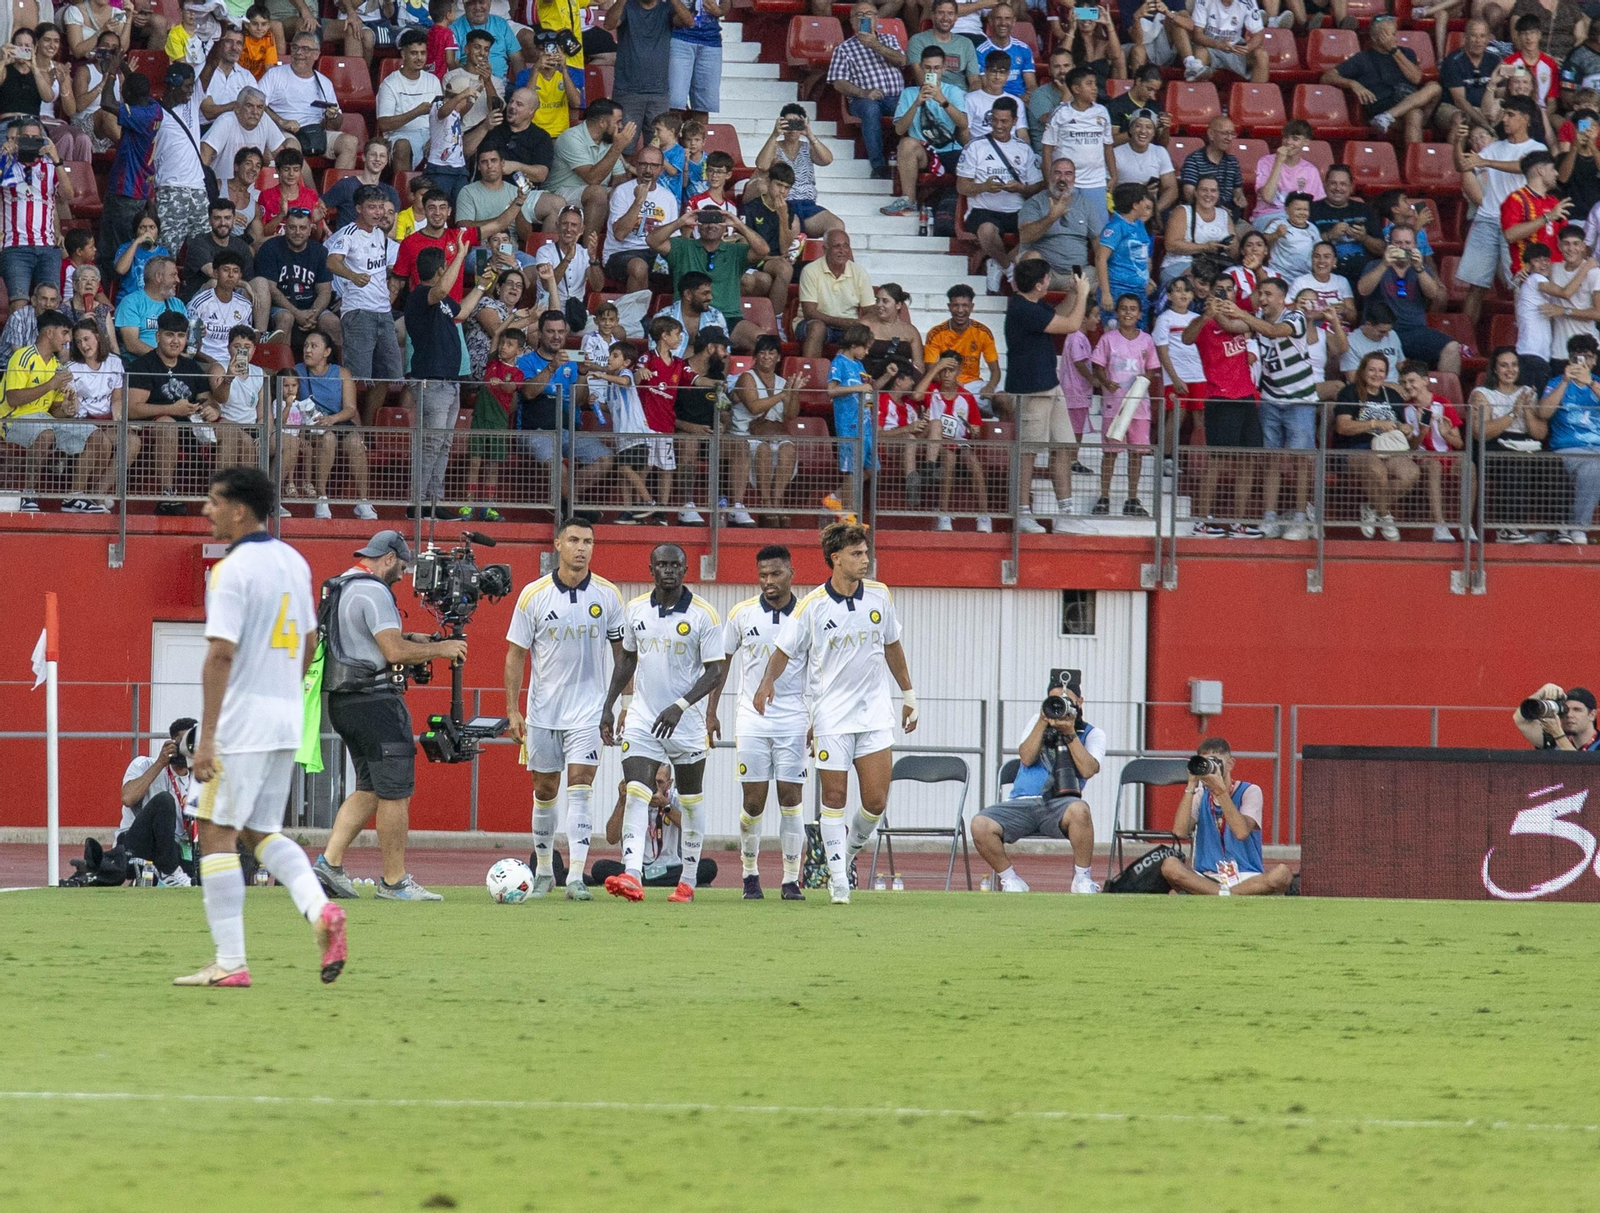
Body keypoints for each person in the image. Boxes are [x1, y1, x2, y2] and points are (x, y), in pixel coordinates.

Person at [175, 466, 344, 987]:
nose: (206, 510)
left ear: (239, 510)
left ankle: (230, 963)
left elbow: (220, 654)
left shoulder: (232, 570)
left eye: (213, 501)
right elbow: (312, 643)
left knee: (217, 832)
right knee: (260, 831)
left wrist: (206, 738)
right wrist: (284, 692)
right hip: (286, 718)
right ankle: (320, 910)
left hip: (242, 722)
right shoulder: (294, 560)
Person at [753, 522, 917, 905]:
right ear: (836, 559)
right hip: (831, 716)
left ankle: (847, 853)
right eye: (857, 554)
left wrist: (909, 694)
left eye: (865, 552)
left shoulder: (880, 596)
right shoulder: (812, 605)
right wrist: (766, 683)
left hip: (875, 715)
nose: (865, 560)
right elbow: (783, 650)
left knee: (875, 802)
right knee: (835, 796)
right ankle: (838, 879)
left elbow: (892, 645)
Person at [311, 531, 466, 904]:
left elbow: (364, 641)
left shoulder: (341, 586)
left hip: (343, 702)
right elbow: (393, 651)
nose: (403, 574)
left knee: (369, 787)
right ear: (388, 558)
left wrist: (416, 639)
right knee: (395, 792)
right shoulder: (375, 590)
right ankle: (394, 881)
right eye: (402, 565)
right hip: (376, 702)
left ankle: (329, 864)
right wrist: (442, 648)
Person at [503, 517, 625, 898]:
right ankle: (543, 871)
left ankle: (575, 876)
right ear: (558, 544)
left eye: (588, 541)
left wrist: (623, 704)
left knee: (581, 787)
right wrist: (512, 709)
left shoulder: (607, 595)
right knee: (544, 789)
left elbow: (623, 654)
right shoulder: (533, 594)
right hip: (543, 712)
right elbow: (515, 656)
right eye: (573, 540)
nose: (581, 547)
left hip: (588, 711)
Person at [597, 543, 724, 903]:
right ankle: (632, 873)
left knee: (691, 800)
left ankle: (687, 881)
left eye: (676, 565)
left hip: (686, 723)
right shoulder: (635, 609)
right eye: (662, 564)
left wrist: (681, 706)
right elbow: (626, 661)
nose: (669, 570)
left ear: (685, 570)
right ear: (651, 567)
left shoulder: (704, 615)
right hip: (642, 718)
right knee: (636, 791)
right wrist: (609, 705)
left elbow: (716, 671)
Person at [706, 546, 809, 900]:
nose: (768, 582)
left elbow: (825, 669)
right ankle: (750, 872)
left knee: (791, 797)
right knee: (753, 802)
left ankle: (790, 879)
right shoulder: (741, 613)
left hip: (795, 717)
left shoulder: (808, 613)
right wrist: (711, 711)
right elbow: (721, 666)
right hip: (751, 719)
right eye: (763, 575)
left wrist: (817, 717)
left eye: (775, 574)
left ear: (791, 572)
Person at [971, 676, 1103, 894]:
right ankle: (1011, 879)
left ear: (1079, 702)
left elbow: (1089, 769)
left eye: (1067, 701)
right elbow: (1026, 757)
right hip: (1022, 802)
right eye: (1054, 701)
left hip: (1061, 804)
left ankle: (1082, 879)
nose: (1060, 706)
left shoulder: (1092, 733)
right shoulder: (1036, 722)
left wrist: (1070, 734)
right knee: (980, 824)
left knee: (1081, 811)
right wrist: (1043, 722)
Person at [1007, 258, 1092, 532]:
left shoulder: (1034, 305)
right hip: (1032, 391)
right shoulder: (1022, 309)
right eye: (1047, 278)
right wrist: (1084, 296)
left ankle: (1065, 513)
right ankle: (1022, 513)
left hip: (1050, 386)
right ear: (1039, 283)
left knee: (1064, 449)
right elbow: (1071, 325)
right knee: (1028, 453)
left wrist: (1073, 294)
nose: (1049, 281)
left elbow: (1061, 315)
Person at [124, 309, 231, 515]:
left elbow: (208, 400)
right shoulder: (143, 365)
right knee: (167, 423)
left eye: (181, 336)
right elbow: (133, 409)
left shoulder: (190, 366)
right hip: (154, 430)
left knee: (232, 430)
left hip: (192, 426)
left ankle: (221, 497)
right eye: (169, 335)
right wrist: (172, 409)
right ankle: (167, 494)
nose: (175, 341)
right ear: (158, 336)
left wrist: (211, 410)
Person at [1159, 736, 1294, 895]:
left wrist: (1220, 791)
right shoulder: (1200, 794)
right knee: (1170, 865)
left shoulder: (1250, 791)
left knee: (1282, 873)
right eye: (1205, 763)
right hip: (1208, 876)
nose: (1211, 768)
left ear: (1230, 764)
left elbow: (1241, 832)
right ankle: (1227, 894)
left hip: (1246, 875)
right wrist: (1191, 785)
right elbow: (1179, 832)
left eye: (1215, 762)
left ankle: (1219, 894)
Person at [407, 243, 487, 510]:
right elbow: (440, 289)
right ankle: (417, 503)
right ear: (440, 268)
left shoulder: (440, 300)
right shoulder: (421, 294)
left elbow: (461, 312)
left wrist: (482, 286)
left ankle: (433, 500)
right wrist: (462, 256)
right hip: (432, 381)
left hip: (449, 382)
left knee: (443, 444)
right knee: (431, 443)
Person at [1184, 273, 1263, 537]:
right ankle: (1202, 521)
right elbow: (1186, 338)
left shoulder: (1241, 318)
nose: (1225, 294)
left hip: (1246, 396)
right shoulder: (1204, 323)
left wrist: (1227, 314)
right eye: (1219, 290)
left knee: (1248, 462)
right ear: (1209, 293)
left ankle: (1239, 521)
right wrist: (1207, 316)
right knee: (1216, 462)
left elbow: (1243, 329)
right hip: (1220, 397)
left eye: (1229, 290)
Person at [1455, 98, 1545, 326]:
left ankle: (1525, 339)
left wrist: (1486, 160)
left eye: (1511, 114)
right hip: (1486, 221)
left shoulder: (1537, 148)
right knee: (1476, 286)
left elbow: (1525, 167)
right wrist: (1458, 142)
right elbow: (1462, 166)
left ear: (1526, 118)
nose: (1504, 118)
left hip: (1516, 225)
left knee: (1521, 283)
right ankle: (1466, 342)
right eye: (1505, 114)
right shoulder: (1494, 148)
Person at [326, 185, 402, 425]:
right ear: (358, 208)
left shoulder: (380, 234)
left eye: (381, 207)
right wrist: (352, 275)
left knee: (385, 376)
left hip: (383, 312)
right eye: (372, 207)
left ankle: (367, 428)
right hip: (358, 312)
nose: (378, 212)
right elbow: (331, 262)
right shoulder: (347, 234)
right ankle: (351, 428)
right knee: (357, 378)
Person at [589, 765, 719, 888]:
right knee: (599, 868)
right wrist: (622, 802)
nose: (654, 786)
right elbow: (612, 838)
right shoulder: (633, 799)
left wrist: (666, 805)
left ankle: (641, 881)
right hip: (635, 867)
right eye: (651, 781)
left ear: (669, 783)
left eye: (660, 782)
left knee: (708, 867)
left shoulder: (675, 799)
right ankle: (648, 879)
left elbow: (690, 830)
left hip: (670, 866)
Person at [0, 308, 78, 513]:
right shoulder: (22, 356)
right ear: (49, 333)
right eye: (64, 333)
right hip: (13, 420)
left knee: (96, 437)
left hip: (45, 420)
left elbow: (54, 410)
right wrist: (50, 385)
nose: (68, 339)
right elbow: (13, 398)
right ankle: (28, 495)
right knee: (46, 433)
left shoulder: (55, 365)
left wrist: (67, 409)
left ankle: (77, 498)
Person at [295, 329, 379, 519]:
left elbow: (350, 408)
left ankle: (363, 501)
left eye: (314, 346)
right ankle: (321, 498)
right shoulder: (297, 371)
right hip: (311, 424)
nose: (307, 350)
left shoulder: (341, 373)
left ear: (327, 352)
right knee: (329, 439)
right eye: (306, 345)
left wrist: (332, 419)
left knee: (356, 443)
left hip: (337, 419)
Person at [881, 44, 970, 220]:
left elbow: (963, 123)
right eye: (928, 68)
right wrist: (916, 103)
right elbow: (899, 130)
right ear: (921, 68)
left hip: (949, 149)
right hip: (923, 152)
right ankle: (908, 199)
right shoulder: (909, 93)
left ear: (944, 69)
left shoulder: (953, 91)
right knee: (906, 144)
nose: (932, 72)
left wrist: (942, 100)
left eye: (937, 68)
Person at [1356, 225, 1461, 375]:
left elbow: (1433, 294)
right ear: (1389, 245)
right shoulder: (1374, 266)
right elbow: (1363, 290)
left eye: (1407, 243)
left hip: (1414, 331)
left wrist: (1419, 268)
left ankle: (1444, 396)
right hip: (1381, 331)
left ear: (1415, 246)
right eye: (1398, 243)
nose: (1403, 247)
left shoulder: (1422, 268)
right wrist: (1385, 264)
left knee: (1451, 348)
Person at [1334, 350, 1415, 541]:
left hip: (1389, 449)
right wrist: (1375, 424)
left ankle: (1372, 506)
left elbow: (1400, 425)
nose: (1376, 374)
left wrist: (1406, 428)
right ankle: (1386, 516)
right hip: (1357, 447)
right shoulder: (1349, 392)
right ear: (1363, 371)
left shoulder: (1393, 395)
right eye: (1372, 370)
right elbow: (1342, 427)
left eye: (1381, 371)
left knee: (1411, 474)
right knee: (1377, 472)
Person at [1320, 15, 1441, 141]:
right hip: (1384, 107)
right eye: (1387, 35)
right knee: (1415, 114)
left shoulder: (1406, 52)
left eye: (1394, 34)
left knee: (1434, 86)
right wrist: (1352, 83)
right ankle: (1414, 159)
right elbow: (1327, 77)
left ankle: (1388, 116)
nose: (1393, 39)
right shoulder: (1362, 58)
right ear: (1375, 38)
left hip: (1411, 101)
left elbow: (1416, 78)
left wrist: (1394, 51)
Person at [826, 3, 908, 179]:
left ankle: (916, 160)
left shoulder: (889, 40)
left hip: (896, 98)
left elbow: (902, 61)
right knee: (871, 109)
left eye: (869, 14)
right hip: (864, 100)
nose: (864, 18)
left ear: (877, 19)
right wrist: (864, 93)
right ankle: (878, 166)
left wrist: (876, 45)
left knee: (914, 107)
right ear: (852, 22)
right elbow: (838, 82)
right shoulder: (844, 48)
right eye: (859, 15)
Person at [730, 336, 803, 522]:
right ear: (755, 357)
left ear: (779, 357)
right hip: (745, 435)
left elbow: (791, 414)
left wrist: (794, 393)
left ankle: (777, 500)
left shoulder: (781, 382)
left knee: (788, 448)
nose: (766, 357)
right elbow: (754, 407)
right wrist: (783, 394)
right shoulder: (747, 377)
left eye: (771, 353)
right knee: (762, 449)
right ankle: (765, 502)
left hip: (773, 434)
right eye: (762, 353)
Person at [118, 716, 197, 886]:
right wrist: (161, 762)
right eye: (181, 743)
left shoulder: (197, 781)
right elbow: (128, 798)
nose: (185, 749)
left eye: (190, 745)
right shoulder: (144, 764)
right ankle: (169, 871)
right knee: (164, 800)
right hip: (137, 845)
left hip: (175, 849)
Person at [1536, 333, 1600, 542]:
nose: (1582, 361)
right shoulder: (1556, 382)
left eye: (1587, 357)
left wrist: (1590, 383)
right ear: (1569, 358)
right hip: (1568, 447)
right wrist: (1565, 381)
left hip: (1597, 446)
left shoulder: (1597, 383)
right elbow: (1543, 413)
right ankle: (1578, 528)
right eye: (1577, 356)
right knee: (1594, 466)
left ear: (1594, 360)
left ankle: (1565, 529)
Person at [261, 32, 358, 169]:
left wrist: (333, 116)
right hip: (287, 132)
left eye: (305, 49)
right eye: (295, 47)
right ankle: (311, 190)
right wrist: (281, 121)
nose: (299, 52)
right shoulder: (274, 75)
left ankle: (338, 189)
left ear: (316, 54)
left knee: (350, 142)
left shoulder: (324, 82)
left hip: (315, 133)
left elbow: (335, 124)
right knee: (292, 147)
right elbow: (258, 103)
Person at [0, 118, 71, 304]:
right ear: (17, 140)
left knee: (50, 304)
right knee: (19, 302)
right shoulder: (7, 165)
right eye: (25, 137)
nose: (30, 140)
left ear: (43, 140)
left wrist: (56, 160)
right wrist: (2, 155)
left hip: (47, 247)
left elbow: (67, 195)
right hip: (15, 247)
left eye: (35, 137)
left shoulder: (50, 167)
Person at [253, 207, 339, 354]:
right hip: (280, 306)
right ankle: (283, 372)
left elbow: (324, 290)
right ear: (285, 227)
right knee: (286, 318)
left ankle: (334, 371)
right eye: (292, 227)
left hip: (311, 307)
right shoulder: (270, 248)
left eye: (302, 228)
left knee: (332, 322)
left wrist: (313, 314)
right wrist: (297, 314)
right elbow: (271, 290)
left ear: (310, 229)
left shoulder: (320, 251)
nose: (297, 232)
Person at [547, 98, 634, 237]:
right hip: (560, 193)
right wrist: (618, 147)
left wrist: (619, 193)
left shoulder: (609, 141)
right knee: (597, 193)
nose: (621, 126)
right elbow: (592, 178)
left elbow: (620, 181)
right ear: (602, 123)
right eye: (617, 122)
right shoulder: (571, 137)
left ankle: (619, 249)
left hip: (591, 193)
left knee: (624, 194)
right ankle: (589, 254)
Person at [750, 104, 841, 237]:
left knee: (837, 226)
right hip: (783, 203)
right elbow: (762, 165)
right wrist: (774, 134)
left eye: (797, 123)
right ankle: (791, 254)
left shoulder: (808, 148)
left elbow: (827, 160)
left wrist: (809, 134)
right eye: (788, 123)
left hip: (808, 205)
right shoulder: (774, 146)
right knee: (793, 225)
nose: (793, 128)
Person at [1018, 156, 1103, 290]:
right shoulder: (1034, 203)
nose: (1062, 179)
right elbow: (1025, 236)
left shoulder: (1086, 204)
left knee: (1105, 279)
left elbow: (1098, 243)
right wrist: (1052, 217)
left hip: (1077, 272)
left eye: (1068, 174)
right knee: (1030, 258)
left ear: (1074, 179)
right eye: (1057, 173)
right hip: (1045, 274)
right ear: (1049, 176)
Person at [1041, 65, 1115, 220]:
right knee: (1068, 228)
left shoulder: (1102, 112)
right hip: (1066, 182)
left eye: (1095, 83)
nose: (1095, 88)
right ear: (1075, 88)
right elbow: (1047, 150)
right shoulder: (1060, 113)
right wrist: (1050, 182)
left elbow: (1108, 146)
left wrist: (1114, 175)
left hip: (1096, 181)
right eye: (1089, 84)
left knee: (1098, 230)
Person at [603, 143, 677, 292]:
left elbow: (673, 239)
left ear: (662, 170)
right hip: (621, 253)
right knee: (639, 266)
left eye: (654, 166)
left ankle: (673, 314)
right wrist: (638, 201)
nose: (648, 170)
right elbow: (619, 234)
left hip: (655, 253)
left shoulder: (668, 197)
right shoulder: (622, 192)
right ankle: (635, 315)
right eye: (644, 164)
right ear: (636, 166)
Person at [605, 0, 675, 142]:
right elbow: (608, 24)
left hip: (659, 92)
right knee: (624, 145)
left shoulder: (667, 8)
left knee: (660, 147)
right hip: (627, 90)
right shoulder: (626, 6)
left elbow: (688, 21)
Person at [797, 228, 874, 357]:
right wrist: (844, 322)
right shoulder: (810, 271)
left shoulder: (859, 272)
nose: (842, 251)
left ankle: (858, 375)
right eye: (837, 246)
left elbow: (869, 309)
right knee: (817, 327)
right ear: (825, 249)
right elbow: (810, 313)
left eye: (846, 246)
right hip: (813, 324)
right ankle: (809, 374)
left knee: (869, 330)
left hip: (848, 327)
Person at [1095, 182, 1155, 323]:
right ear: (1135, 205)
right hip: (1117, 291)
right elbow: (1100, 258)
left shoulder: (1139, 224)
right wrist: (1106, 293)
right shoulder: (1115, 227)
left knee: (1136, 338)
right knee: (1115, 337)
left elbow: (1143, 256)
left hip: (1139, 291)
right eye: (1143, 199)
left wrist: (1147, 279)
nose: (1146, 203)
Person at [1175, 0, 1268, 83]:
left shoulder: (1248, 1)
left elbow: (1258, 34)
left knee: (1261, 55)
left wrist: (1248, 48)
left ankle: (1257, 99)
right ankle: (1199, 98)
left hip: (1235, 46)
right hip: (1210, 46)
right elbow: (1197, 35)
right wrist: (1218, 44)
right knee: (1200, 53)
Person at [1437, 18, 1502, 136]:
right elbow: (1460, 101)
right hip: (1453, 107)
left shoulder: (1494, 59)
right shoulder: (1453, 61)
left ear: (1488, 39)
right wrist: (1484, 123)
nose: (1478, 41)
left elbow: (1501, 91)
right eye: (1474, 36)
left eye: (1482, 36)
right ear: (1465, 37)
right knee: (1461, 119)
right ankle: (1455, 154)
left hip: (1485, 107)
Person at [1179, 113, 1247, 213]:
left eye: (1232, 134)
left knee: (1251, 229)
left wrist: (1240, 198)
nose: (1229, 138)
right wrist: (1216, 209)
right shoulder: (1194, 159)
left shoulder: (1233, 162)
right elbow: (1189, 194)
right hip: (1200, 213)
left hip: (1229, 214)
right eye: (1225, 133)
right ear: (1211, 134)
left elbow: (1238, 191)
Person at [1511, 683, 1600, 748]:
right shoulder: (1553, 740)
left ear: (1592, 715)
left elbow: (1579, 769)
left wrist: (1558, 734)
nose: (1569, 715)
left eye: (1577, 710)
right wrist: (1540, 693)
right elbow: (1521, 720)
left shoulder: (1557, 735)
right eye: (1565, 710)